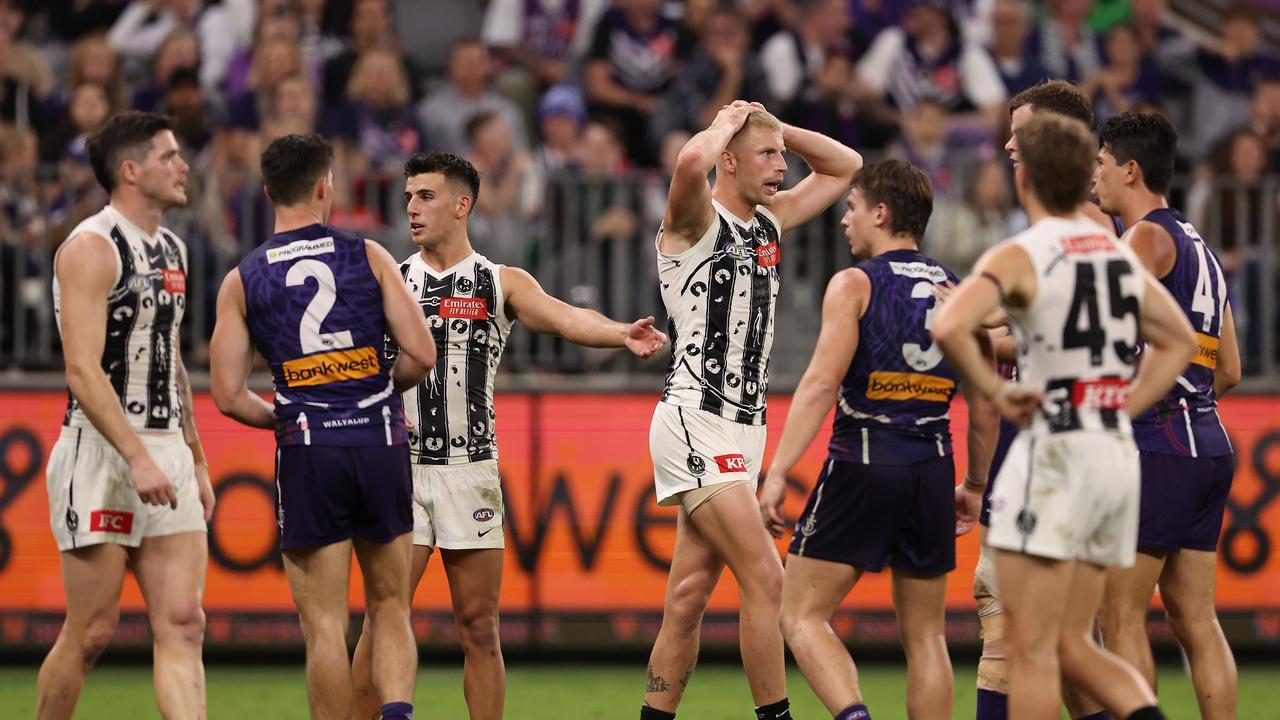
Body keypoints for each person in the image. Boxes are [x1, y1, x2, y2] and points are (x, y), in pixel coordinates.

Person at [349, 151, 668, 720]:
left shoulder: (500, 283)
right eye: (408, 197)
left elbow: (566, 317)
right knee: (383, 617)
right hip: (401, 470)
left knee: (480, 626)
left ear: (461, 205)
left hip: (471, 470)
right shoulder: (391, 281)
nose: (412, 208)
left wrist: (622, 332)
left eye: (425, 196)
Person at [932, 111, 1196, 720]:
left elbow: (950, 323)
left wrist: (995, 395)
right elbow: (1178, 340)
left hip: (1054, 452)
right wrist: (1125, 402)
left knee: (1031, 646)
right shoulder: (1113, 253)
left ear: (1027, 181)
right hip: (1113, 455)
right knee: (1075, 642)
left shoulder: (1025, 251)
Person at [644, 100, 862, 720]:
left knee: (687, 599)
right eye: (766, 157)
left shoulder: (770, 221)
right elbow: (690, 160)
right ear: (730, 161)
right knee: (770, 581)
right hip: (694, 417)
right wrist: (727, 124)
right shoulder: (693, 220)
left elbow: (846, 166)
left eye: (783, 158)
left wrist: (776, 129)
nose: (781, 167)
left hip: (747, 427)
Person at [208, 133, 436, 720]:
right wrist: (376, 392)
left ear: (266, 192)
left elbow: (229, 395)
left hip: (310, 449)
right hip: (380, 439)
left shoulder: (243, 279)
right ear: (322, 185)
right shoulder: (369, 255)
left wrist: (286, 415)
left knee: (324, 626)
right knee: (390, 606)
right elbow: (421, 353)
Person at [759, 159, 997, 720]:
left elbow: (820, 383)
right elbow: (984, 406)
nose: (845, 220)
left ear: (882, 213)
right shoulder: (956, 290)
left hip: (864, 458)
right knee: (926, 637)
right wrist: (974, 484)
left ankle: (854, 716)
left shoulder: (855, 284)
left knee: (800, 613)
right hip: (933, 466)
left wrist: (776, 472)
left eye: (853, 207)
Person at [37, 111, 212, 720]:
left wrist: (196, 457)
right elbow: (82, 371)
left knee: (185, 624)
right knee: (91, 632)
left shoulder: (173, 248)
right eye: (169, 156)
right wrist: (136, 457)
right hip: (102, 453)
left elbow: (169, 359)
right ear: (131, 171)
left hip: (165, 448)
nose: (183, 165)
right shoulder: (90, 247)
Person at [962, 78, 1119, 720]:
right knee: (1066, 642)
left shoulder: (1070, 229)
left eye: (1019, 132)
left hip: (1054, 446)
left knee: (1015, 627)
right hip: (1082, 445)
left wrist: (963, 321)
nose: (1006, 145)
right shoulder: (1092, 229)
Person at [1092, 112, 1241, 720]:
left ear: (1130, 170)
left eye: (1101, 165)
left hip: (1159, 440)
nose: (1095, 178)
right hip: (1207, 438)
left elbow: (1093, 310)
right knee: (1196, 618)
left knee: (1119, 616)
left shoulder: (1145, 239)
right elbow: (1227, 368)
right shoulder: (1198, 245)